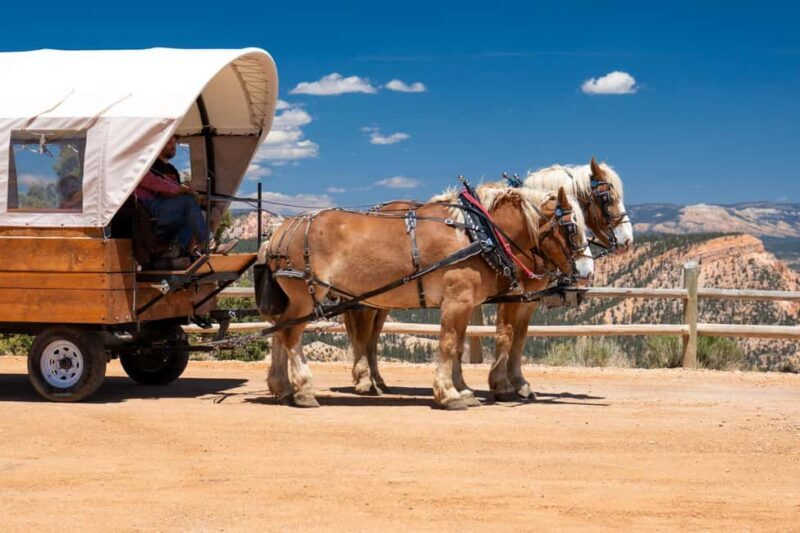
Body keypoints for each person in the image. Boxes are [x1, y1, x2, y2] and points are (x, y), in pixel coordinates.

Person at [135, 136, 236, 261]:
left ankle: (176, 251)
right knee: (188, 204)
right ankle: (208, 244)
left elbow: (175, 192)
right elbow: (154, 183)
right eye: (169, 142)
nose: (173, 146)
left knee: (193, 212)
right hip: (148, 208)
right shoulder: (147, 165)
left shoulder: (172, 169)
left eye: (175, 143)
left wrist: (193, 196)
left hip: (163, 207)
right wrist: (181, 190)